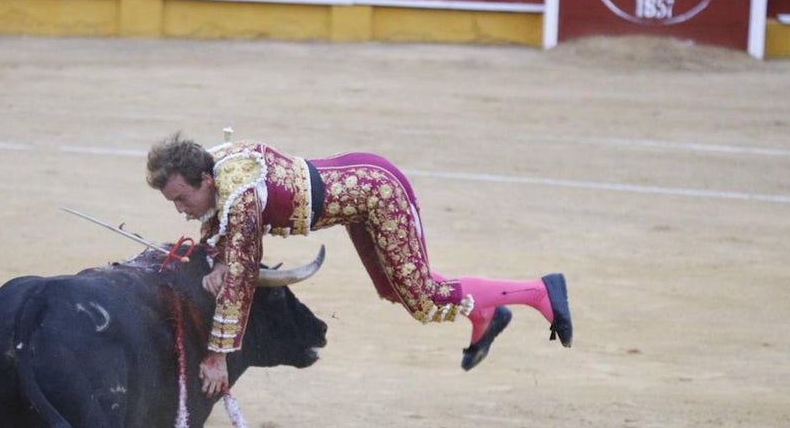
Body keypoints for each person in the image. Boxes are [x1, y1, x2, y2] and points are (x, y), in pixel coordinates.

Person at [146, 134, 571, 397]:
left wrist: (219, 355)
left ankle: (539, 291)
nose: (182, 210)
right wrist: (218, 255)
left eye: (183, 198)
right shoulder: (215, 167)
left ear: (205, 179)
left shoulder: (239, 197)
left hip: (379, 195)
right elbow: (219, 226)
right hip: (358, 192)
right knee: (393, 291)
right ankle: (485, 312)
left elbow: (240, 280)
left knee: (425, 299)